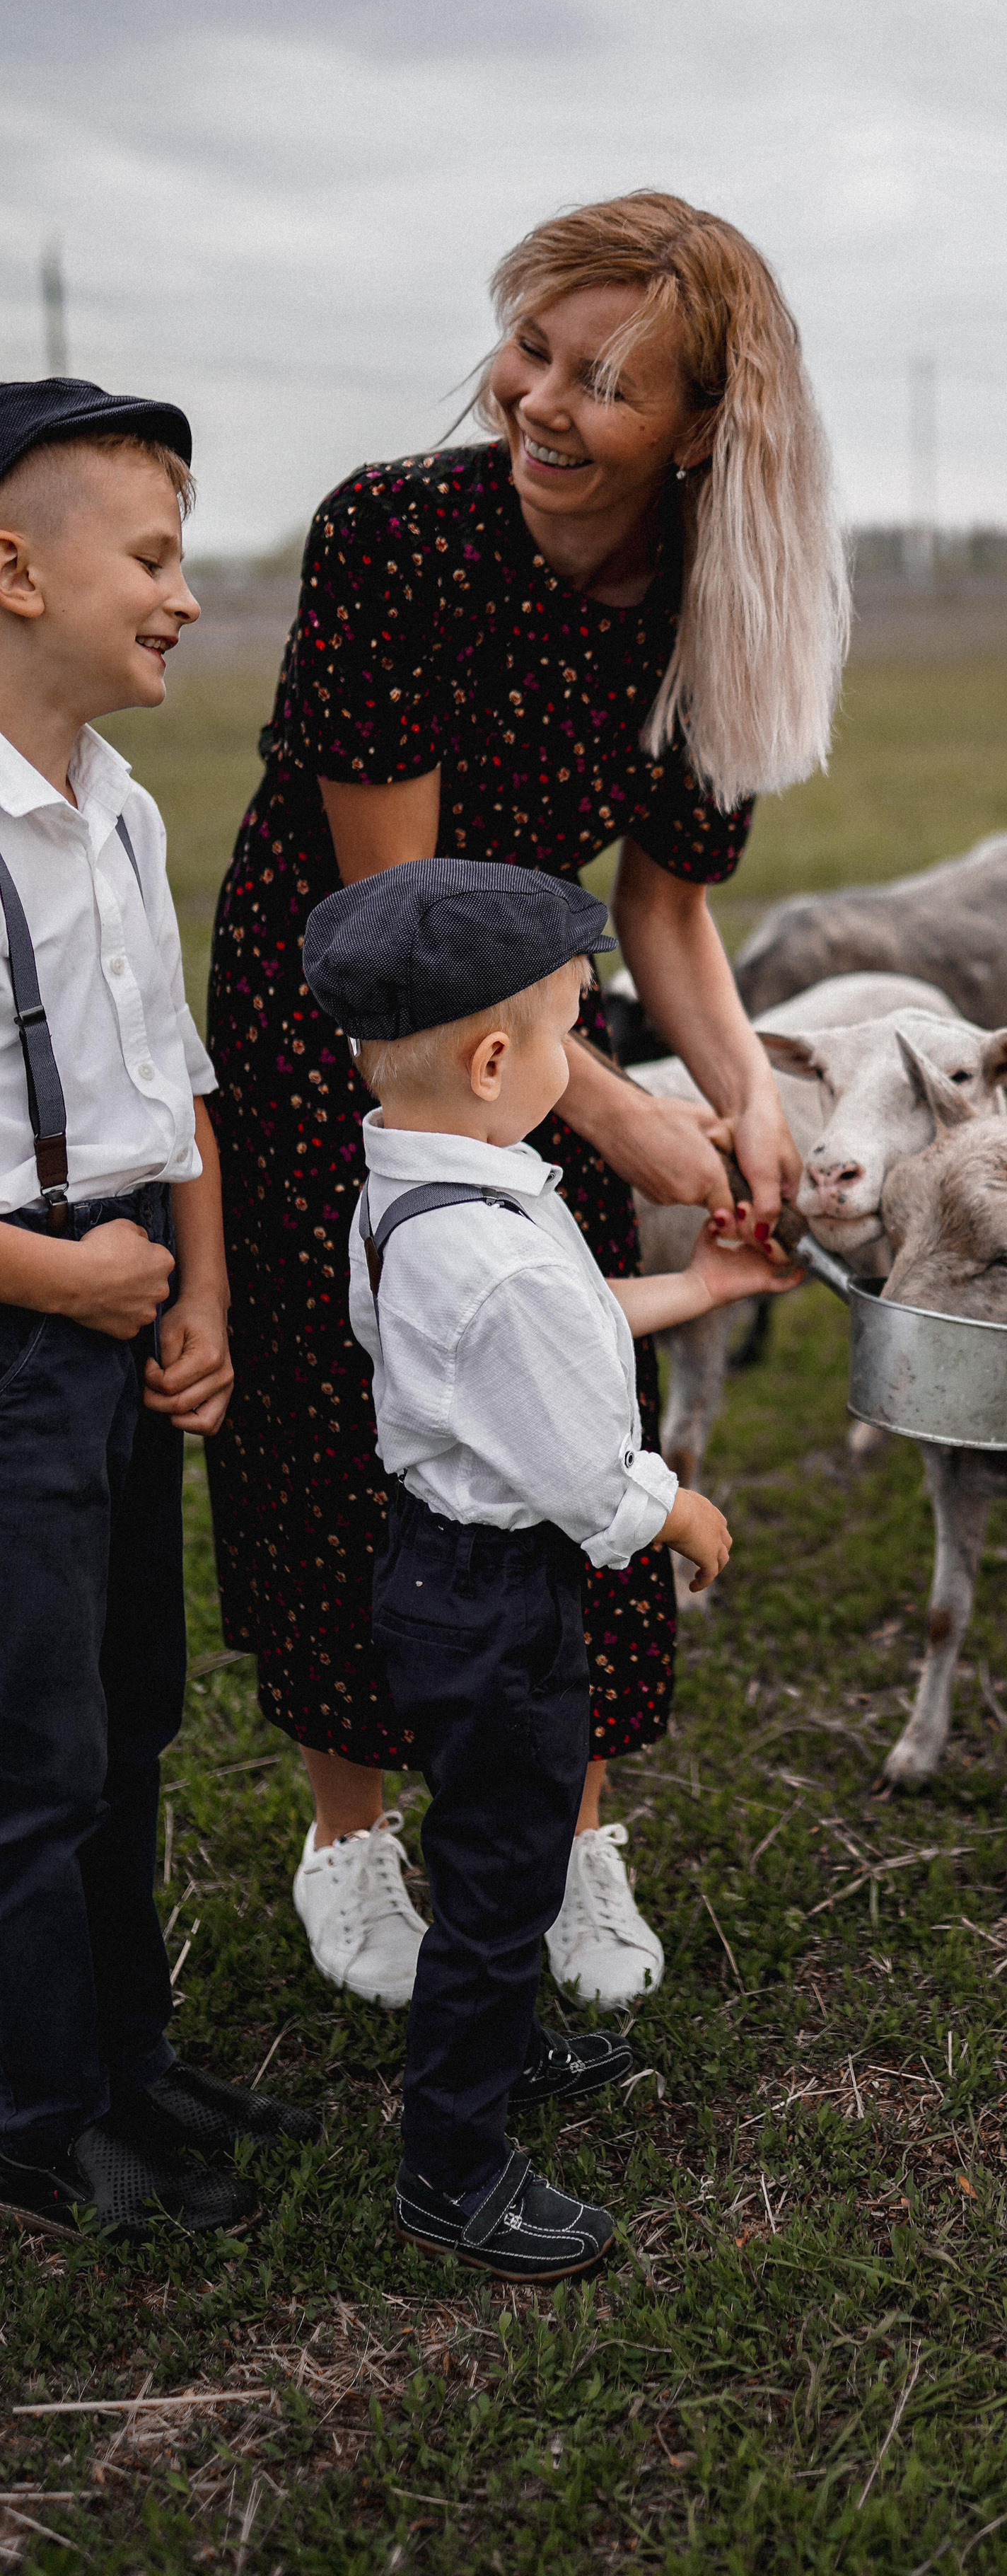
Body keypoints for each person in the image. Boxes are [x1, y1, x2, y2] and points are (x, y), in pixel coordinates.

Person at [204, 192, 848, 2016]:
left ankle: (572, 1839)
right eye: (533, 354)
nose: (541, 405)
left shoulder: (710, 610)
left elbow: (666, 907)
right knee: (354, 1410)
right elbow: (392, 921)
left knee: (569, 1389)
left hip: (544, 1030)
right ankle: (349, 1835)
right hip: (338, 1014)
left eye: (605, 384)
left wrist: (743, 1097)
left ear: (706, 431)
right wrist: (624, 1116)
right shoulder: (394, 535)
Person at [301, 857, 791, 2277]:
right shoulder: (494, 1254)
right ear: (499, 1057)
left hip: (440, 1576)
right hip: (495, 1593)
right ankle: (453, 2165)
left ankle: (503, 2041)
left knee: (486, 1837)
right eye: (578, 1029)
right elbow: (581, 1468)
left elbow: (555, 1331)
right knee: (509, 1865)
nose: (584, 1053)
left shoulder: (415, 1193)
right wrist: (678, 1512)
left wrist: (698, 1287)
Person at [0, 379, 317, 2241]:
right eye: (156, 554)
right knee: (26, 1754)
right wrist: (72, 1278)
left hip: (128, 1298)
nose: (185, 592)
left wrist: (200, 1289)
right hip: (26, 1322)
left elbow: (173, 1080)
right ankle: (39, 2121)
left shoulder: (118, 808)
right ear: (16, 571)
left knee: (129, 1721)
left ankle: (129, 2056)